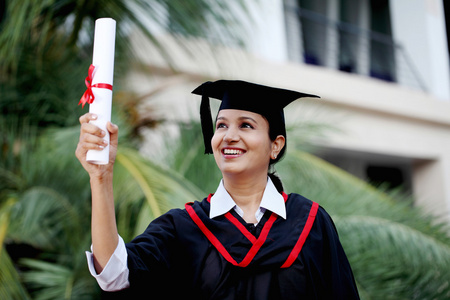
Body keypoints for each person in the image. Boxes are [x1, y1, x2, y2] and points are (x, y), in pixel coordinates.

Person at [76, 80, 360, 299]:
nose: (229, 136)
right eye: (221, 125)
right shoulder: (184, 227)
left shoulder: (310, 222)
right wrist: (101, 178)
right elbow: (114, 274)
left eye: (246, 125)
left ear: (276, 145)